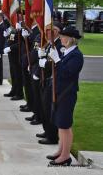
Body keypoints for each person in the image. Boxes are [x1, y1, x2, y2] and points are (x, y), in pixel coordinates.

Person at [46, 27, 83, 166]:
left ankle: (65, 156)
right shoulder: (66, 53)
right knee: (59, 123)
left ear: (71, 39)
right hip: (59, 91)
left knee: (64, 125)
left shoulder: (76, 56)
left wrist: (57, 61)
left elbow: (67, 73)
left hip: (67, 93)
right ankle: (61, 150)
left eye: (63, 37)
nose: (60, 39)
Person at [37, 22, 64, 145]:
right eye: (47, 31)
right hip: (45, 79)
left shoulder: (58, 45)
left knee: (50, 109)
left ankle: (52, 136)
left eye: (51, 31)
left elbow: (57, 63)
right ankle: (47, 130)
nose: (48, 33)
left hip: (52, 80)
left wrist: (45, 63)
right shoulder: (50, 43)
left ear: (57, 31)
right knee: (44, 108)